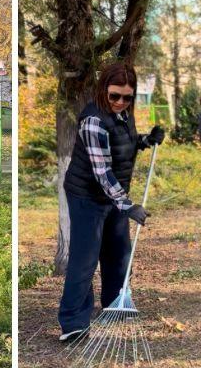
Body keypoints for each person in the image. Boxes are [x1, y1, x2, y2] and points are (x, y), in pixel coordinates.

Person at [57, 62, 165, 342]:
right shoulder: (93, 120)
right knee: (85, 258)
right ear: (103, 89)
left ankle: (116, 303)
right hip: (87, 196)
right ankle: (74, 322)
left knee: (119, 253)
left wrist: (145, 140)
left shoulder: (123, 114)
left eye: (127, 97)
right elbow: (102, 172)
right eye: (114, 95)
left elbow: (121, 144)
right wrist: (128, 206)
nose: (120, 102)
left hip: (115, 196)